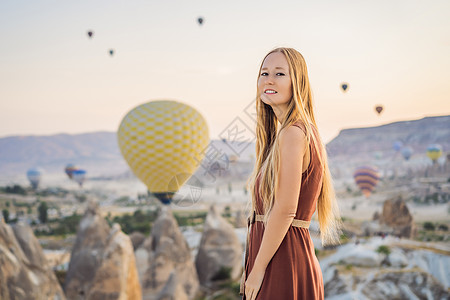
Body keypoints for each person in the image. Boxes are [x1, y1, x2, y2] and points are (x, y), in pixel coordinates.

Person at [240, 47, 342, 300]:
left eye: (279, 74)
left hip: (282, 259)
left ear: (298, 82)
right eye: (264, 73)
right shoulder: (292, 133)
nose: (269, 80)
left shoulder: (293, 133)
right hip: (280, 254)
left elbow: (286, 209)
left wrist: (257, 269)